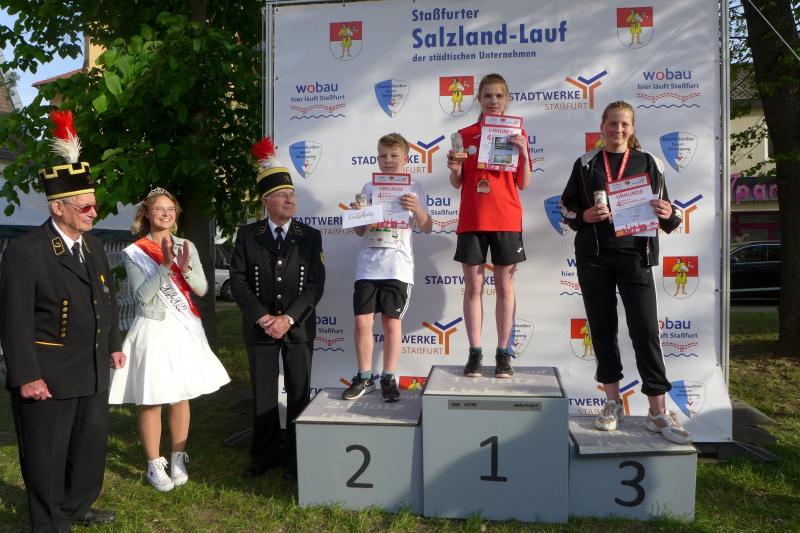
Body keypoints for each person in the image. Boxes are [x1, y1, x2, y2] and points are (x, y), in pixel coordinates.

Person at [0, 110, 125, 531]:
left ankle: (78, 505)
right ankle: (50, 521)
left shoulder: (94, 247)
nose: (94, 212)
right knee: (47, 454)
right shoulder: (27, 251)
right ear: (58, 207)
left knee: (89, 445)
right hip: (49, 374)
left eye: (95, 204)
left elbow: (106, 299)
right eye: (85, 206)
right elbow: (13, 320)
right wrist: (26, 375)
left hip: (92, 369)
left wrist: (113, 343)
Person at [560, 100, 692, 444]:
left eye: (624, 124)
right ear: (602, 126)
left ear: (632, 129)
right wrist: (583, 216)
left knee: (645, 330)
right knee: (602, 329)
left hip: (636, 255)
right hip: (595, 256)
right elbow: (567, 208)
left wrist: (668, 212)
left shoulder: (649, 162)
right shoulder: (586, 163)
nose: (618, 129)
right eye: (612, 123)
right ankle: (612, 402)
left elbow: (668, 212)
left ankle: (657, 412)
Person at [108, 188, 230, 492]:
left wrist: (184, 268)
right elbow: (141, 297)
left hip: (183, 327)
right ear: (147, 214)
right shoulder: (135, 251)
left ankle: (177, 458)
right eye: (159, 209)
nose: (165, 214)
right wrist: (164, 266)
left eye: (170, 209)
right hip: (153, 328)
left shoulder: (187, 246)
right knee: (152, 398)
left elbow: (202, 289)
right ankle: (154, 463)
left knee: (180, 395)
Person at [230, 138, 325, 480]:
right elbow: (238, 281)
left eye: (292, 195)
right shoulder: (247, 234)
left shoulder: (309, 236)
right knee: (264, 393)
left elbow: (315, 283)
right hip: (260, 328)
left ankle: (296, 457)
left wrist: (288, 318)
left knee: (299, 392)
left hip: (297, 328)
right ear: (266, 201)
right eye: (283, 195)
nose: (290, 200)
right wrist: (262, 317)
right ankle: (265, 454)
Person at [446, 73, 532, 379]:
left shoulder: (516, 133)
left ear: (507, 99)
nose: (493, 101)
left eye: (498, 96)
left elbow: (523, 182)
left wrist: (524, 152)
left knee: (505, 287)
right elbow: (458, 182)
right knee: (473, 288)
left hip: (506, 218)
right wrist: (455, 168)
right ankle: (475, 353)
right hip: (473, 219)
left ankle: (503, 353)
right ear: (479, 100)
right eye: (487, 96)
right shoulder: (464, 135)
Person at [342, 133, 432, 402]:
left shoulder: (414, 187)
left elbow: (427, 227)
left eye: (394, 155)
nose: (388, 160)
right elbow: (360, 231)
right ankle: (364, 376)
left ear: (406, 159)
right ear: (377, 158)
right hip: (368, 266)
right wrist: (358, 213)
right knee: (362, 321)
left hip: (397, 266)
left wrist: (417, 209)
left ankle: (389, 377)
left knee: (391, 323)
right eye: (383, 155)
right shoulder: (368, 187)